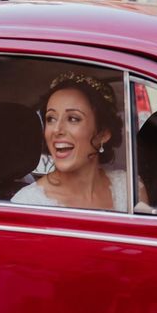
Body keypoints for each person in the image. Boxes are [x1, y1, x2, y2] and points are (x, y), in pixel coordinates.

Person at [11, 71, 130, 211]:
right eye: (51, 119)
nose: (56, 129)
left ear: (103, 134)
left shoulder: (129, 189)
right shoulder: (26, 203)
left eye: (73, 119)